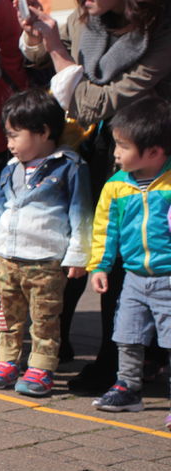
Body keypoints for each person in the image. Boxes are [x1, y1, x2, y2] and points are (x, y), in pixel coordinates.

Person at [21, 0, 171, 392]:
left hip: (148, 159)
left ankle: (118, 361)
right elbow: (40, 55)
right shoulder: (87, 19)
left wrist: (56, 49)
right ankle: (72, 348)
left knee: (129, 257)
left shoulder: (162, 29)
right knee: (88, 245)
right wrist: (38, 36)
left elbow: (97, 102)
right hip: (94, 149)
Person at [0, 89, 91, 397]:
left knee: (45, 317)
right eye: (8, 136)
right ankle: (6, 361)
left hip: (45, 259)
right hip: (8, 258)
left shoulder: (70, 166)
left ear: (43, 132)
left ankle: (41, 367)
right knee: (7, 314)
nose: (9, 144)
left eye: (15, 135)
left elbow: (81, 213)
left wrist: (78, 256)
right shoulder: (10, 169)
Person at [86, 97, 171, 427]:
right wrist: (100, 265)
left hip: (167, 277)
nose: (115, 153)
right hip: (135, 276)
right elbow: (105, 229)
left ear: (153, 152)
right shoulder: (116, 187)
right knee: (127, 333)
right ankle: (127, 387)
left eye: (122, 146)